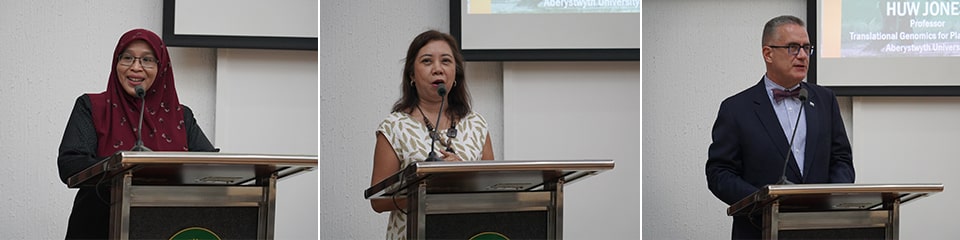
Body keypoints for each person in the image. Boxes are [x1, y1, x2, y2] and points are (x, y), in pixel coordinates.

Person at [705, 15, 856, 239]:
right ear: (768, 53)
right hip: (761, 229)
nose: (803, 56)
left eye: (807, 48)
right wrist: (762, 201)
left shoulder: (825, 100)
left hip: (820, 229)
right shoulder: (736, 108)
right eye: (793, 48)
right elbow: (720, 174)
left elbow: (841, 160)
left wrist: (829, 199)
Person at [57, 29, 217, 239]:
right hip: (99, 226)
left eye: (147, 60)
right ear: (116, 63)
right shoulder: (92, 107)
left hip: (167, 228)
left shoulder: (180, 116)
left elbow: (210, 168)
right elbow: (70, 164)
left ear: (161, 68)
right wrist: (124, 163)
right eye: (127, 58)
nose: (135, 67)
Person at [369, 30, 495, 239]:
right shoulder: (394, 127)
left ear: (456, 73)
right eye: (427, 61)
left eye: (446, 61)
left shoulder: (477, 125)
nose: (437, 69)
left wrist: (463, 179)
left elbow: (492, 192)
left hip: (468, 232)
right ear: (411, 75)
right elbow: (378, 201)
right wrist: (429, 191)